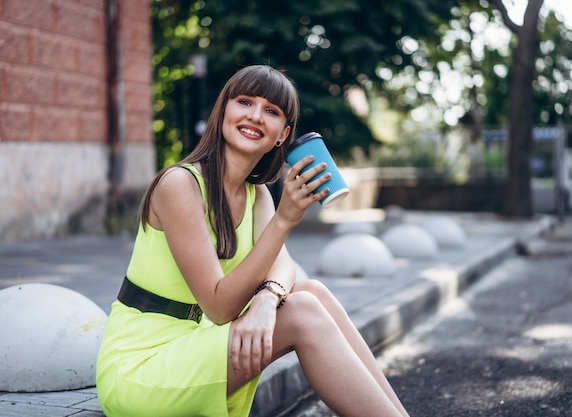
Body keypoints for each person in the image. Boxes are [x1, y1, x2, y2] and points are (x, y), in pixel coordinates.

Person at [96, 64, 410, 417]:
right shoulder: (180, 185)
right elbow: (218, 307)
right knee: (303, 311)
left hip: (194, 342)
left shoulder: (257, 193)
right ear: (224, 111)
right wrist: (285, 219)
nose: (256, 116)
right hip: (142, 366)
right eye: (245, 101)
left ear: (282, 134)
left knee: (313, 292)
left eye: (271, 111)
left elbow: (283, 265)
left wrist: (266, 299)